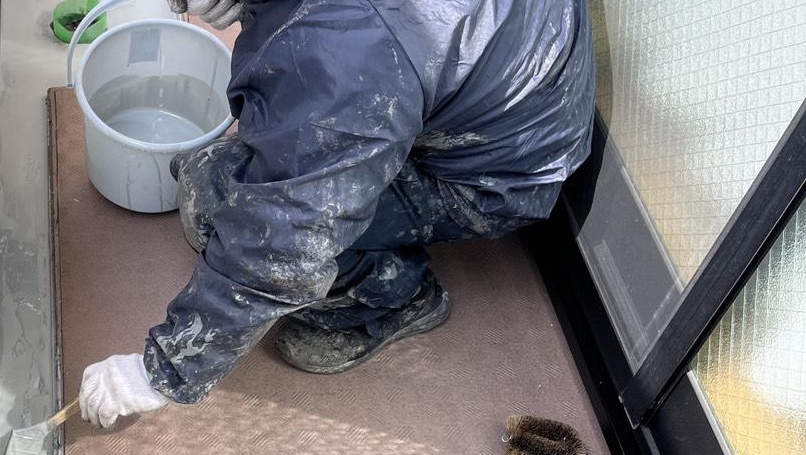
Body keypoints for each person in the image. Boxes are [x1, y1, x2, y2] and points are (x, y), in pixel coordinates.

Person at [79, 0, 596, 428]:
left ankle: (399, 298)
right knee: (246, 162)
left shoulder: (348, 45)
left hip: (493, 178)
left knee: (217, 201)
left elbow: (286, 233)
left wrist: (163, 370)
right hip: (509, 88)